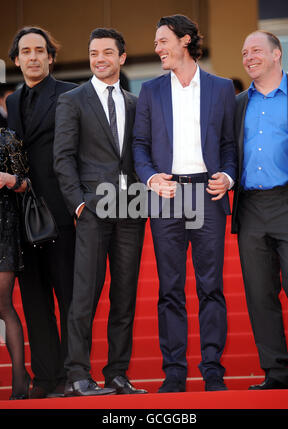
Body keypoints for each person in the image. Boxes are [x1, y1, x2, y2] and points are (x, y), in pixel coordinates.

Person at [133, 14, 236, 392]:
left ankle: (213, 371)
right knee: (169, 289)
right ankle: (174, 373)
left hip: (207, 194)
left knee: (211, 286)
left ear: (185, 40)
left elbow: (228, 144)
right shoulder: (151, 90)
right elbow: (140, 146)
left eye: (163, 41)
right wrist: (149, 178)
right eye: (158, 42)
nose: (157, 48)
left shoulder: (222, 88)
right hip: (167, 196)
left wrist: (227, 175)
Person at [53, 28, 147, 396]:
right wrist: (77, 204)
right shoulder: (73, 100)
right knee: (85, 296)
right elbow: (62, 158)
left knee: (124, 297)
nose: (100, 59)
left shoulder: (136, 102)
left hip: (131, 210)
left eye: (108, 52)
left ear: (122, 58)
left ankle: (117, 374)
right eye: (94, 53)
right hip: (91, 209)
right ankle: (77, 375)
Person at [6, 26, 77, 398]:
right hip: (24, 217)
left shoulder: (71, 95)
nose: (33, 57)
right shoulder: (12, 103)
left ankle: (70, 375)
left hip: (64, 214)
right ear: (16, 60)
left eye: (40, 50)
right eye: (25, 52)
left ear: (51, 56)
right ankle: (45, 377)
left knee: (67, 298)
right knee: (34, 302)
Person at [231, 30, 288, 390]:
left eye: (256, 50)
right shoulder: (238, 103)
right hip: (252, 207)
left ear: (277, 54)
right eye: (244, 52)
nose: (248, 56)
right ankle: (275, 372)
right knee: (260, 295)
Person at [0, 128, 29, 399]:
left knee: (3, 305)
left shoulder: (6, 137)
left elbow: (26, 183)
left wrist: (7, 178)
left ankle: (20, 378)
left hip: (3, 230)